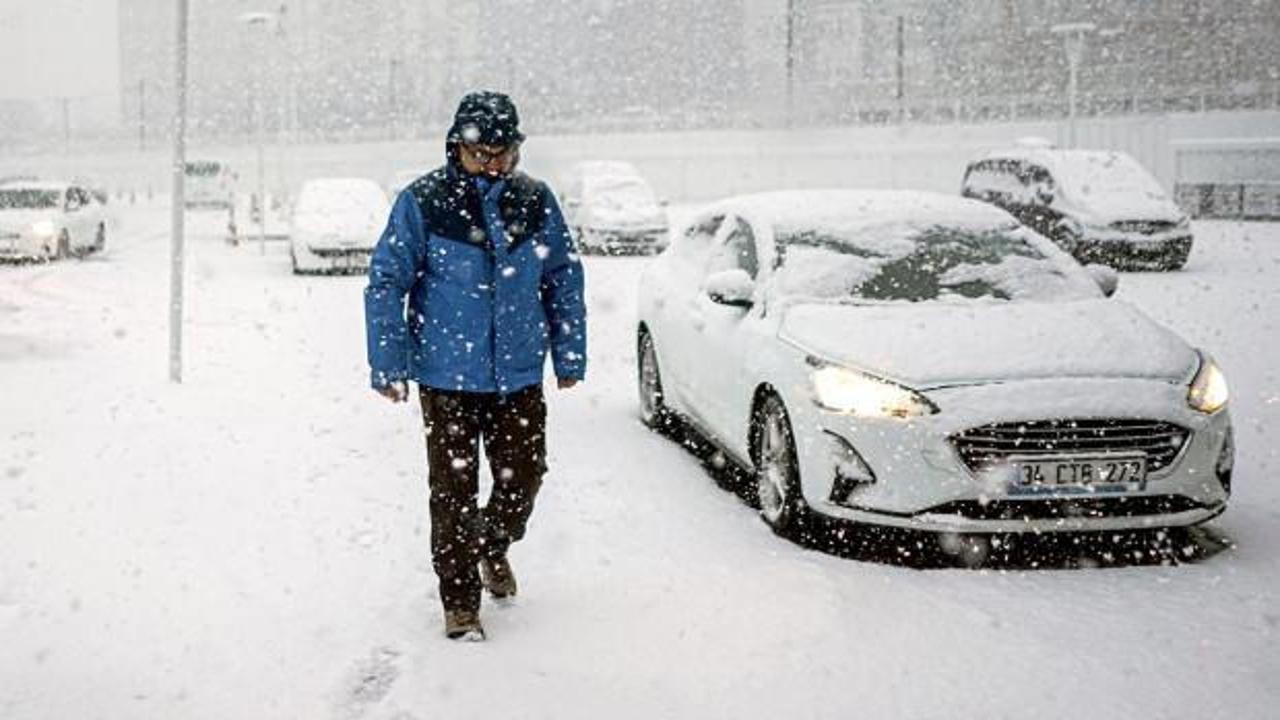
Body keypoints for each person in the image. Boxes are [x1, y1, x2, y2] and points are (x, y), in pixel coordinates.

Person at [364, 91, 586, 641]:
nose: (494, 163)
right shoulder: (423, 201)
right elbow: (387, 282)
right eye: (481, 153)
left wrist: (569, 351)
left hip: (518, 376)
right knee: (453, 491)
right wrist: (389, 362)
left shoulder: (536, 200)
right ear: (456, 149)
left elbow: (562, 276)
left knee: (524, 482)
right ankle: (460, 600)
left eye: (503, 152)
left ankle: (492, 545)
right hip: (446, 379)